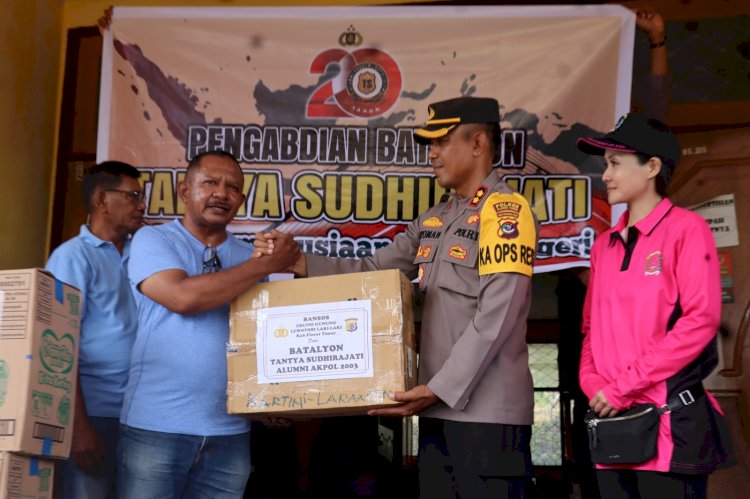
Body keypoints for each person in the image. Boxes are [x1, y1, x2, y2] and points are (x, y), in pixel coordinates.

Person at [258, 96, 538, 499]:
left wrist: (438, 387)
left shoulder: (506, 210)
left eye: (441, 142)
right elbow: (373, 271)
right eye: (430, 144)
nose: (432, 154)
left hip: (488, 416)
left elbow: (499, 313)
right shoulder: (435, 219)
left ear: (478, 143)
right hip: (436, 409)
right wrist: (297, 261)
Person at [117, 150, 300, 499]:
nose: (221, 194)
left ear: (241, 200)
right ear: (185, 191)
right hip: (156, 425)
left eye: (232, 187)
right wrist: (264, 265)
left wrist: (274, 400)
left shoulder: (248, 256)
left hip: (230, 430)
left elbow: (262, 338)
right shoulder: (154, 240)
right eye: (210, 183)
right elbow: (182, 297)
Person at [577, 113, 735, 498]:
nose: (606, 175)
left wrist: (621, 388)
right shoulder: (603, 246)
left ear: (651, 167)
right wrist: (594, 385)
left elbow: (700, 322)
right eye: (605, 165)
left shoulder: (687, 230)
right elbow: (590, 330)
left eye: (615, 163)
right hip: (614, 428)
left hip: (669, 428)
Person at [45, 161, 145, 498]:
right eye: (133, 196)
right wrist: (78, 428)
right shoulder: (72, 257)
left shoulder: (143, 252)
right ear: (102, 200)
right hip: (95, 413)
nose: (142, 205)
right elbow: (58, 346)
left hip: (142, 414)